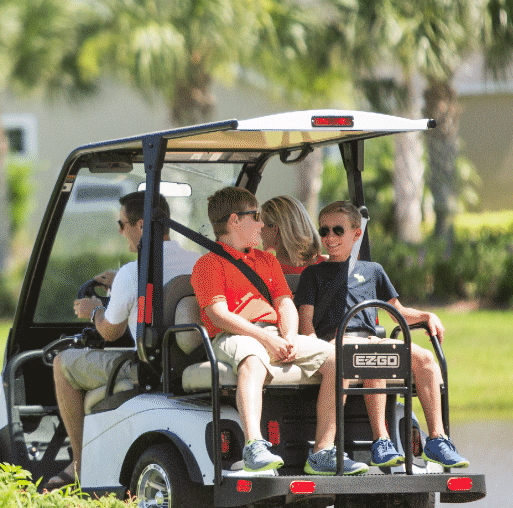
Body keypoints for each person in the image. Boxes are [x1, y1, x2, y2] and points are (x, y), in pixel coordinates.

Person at [296, 199, 470, 474]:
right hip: (337, 342)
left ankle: (437, 439)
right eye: (324, 231)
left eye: (337, 231)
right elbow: (305, 322)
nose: (329, 237)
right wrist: (317, 349)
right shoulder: (313, 274)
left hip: (370, 339)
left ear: (356, 233)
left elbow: (397, 312)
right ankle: (373, 442)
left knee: (425, 359)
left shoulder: (372, 270)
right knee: (369, 357)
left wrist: (426, 316)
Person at [48, 191, 199, 489]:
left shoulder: (134, 273)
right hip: (186, 361)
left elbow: (109, 332)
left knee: (62, 362)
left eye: (122, 224)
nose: (120, 231)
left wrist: (95, 311)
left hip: (146, 368)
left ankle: (80, 464)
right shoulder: (197, 262)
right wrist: (120, 283)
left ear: (141, 226)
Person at [191, 186, 332, 474]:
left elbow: (285, 304)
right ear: (234, 221)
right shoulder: (208, 263)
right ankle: (254, 445)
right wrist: (265, 338)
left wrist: (290, 336)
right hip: (235, 336)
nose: (261, 224)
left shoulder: (266, 260)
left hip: (274, 334)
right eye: (255, 216)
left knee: (337, 359)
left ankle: (322, 451)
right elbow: (217, 314)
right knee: (253, 360)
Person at [259, 194, 322, 278]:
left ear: (275, 229)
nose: (259, 231)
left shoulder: (265, 273)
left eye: (262, 225)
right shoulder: (325, 265)